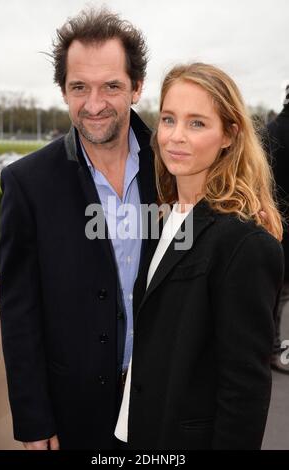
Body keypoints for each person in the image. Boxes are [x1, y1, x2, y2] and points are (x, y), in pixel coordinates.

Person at [0, 8, 156, 450]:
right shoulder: (28, 183)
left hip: (165, 403)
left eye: (111, 86)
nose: (93, 103)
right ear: (64, 91)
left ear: (137, 88)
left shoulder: (174, 167)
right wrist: (32, 418)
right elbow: (19, 311)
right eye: (79, 87)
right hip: (74, 412)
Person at [115, 63, 284, 450]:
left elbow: (244, 390)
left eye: (196, 123)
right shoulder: (163, 216)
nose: (175, 136)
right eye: (169, 119)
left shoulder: (245, 242)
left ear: (229, 135)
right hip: (131, 429)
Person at [264, 85, 289, 373]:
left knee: (274, 295)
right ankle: (272, 349)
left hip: (269, 224)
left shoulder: (270, 131)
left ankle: (269, 348)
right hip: (280, 228)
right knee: (278, 297)